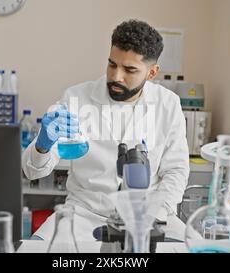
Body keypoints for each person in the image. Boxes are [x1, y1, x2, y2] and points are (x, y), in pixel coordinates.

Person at [22, 19, 190, 242]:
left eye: (130, 69)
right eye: (112, 64)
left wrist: (156, 213)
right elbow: (33, 172)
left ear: (151, 73)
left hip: (148, 217)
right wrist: (43, 145)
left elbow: (176, 171)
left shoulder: (168, 104)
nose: (116, 76)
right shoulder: (76, 98)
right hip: (83, 215)